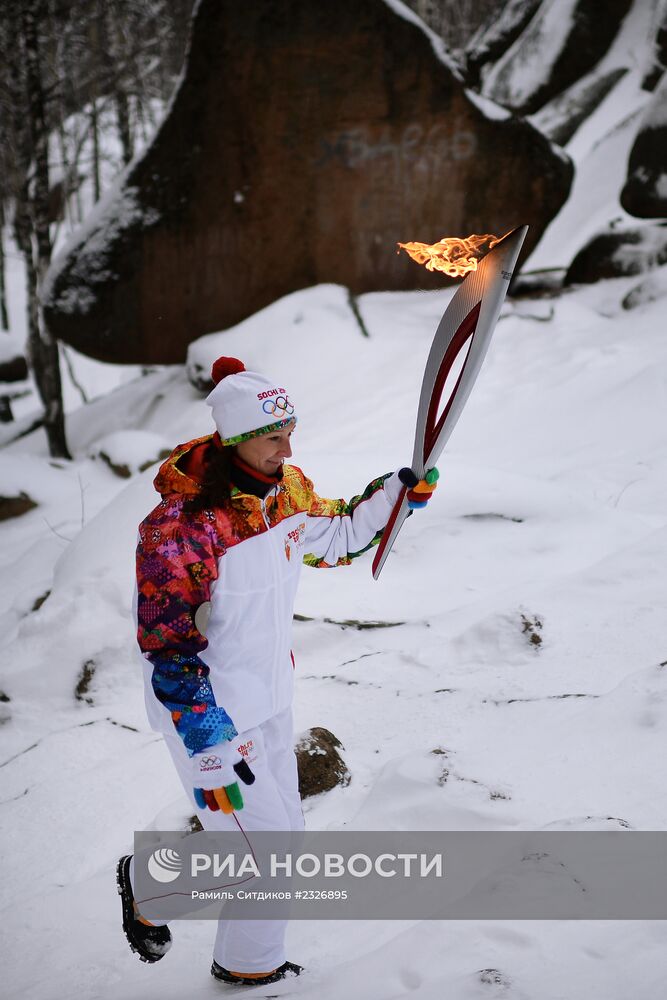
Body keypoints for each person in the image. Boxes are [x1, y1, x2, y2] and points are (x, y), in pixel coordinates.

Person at [116, 356, 438, 986]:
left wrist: (397, 494)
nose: (287, 448)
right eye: (273, 436)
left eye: (291, 431)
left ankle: (248, 967)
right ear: (236, 438)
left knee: (285, 841)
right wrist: (203, 734)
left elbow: (337, 534)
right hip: (207, 716)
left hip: (269, 698)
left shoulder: (285, 493)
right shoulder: (180, 529)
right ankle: (149, 885)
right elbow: (166, 644)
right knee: (258, 849)